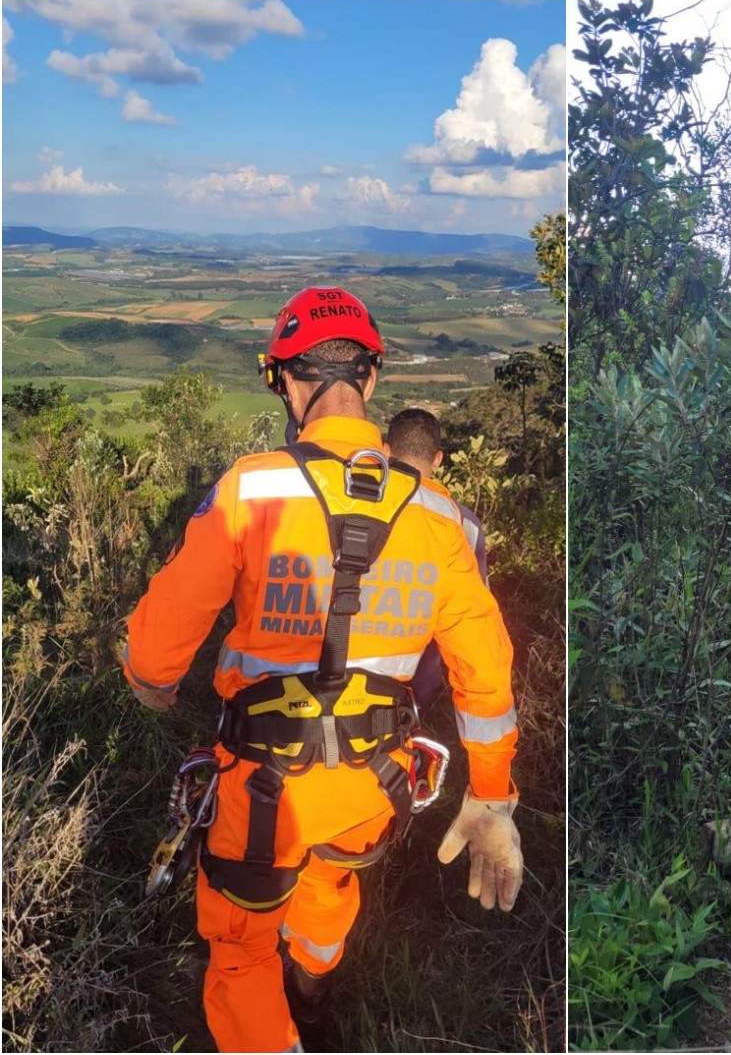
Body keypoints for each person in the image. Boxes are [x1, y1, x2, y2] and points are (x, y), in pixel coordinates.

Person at [122, 286, 524, 1053]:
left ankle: (282, 1024)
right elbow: (487, 671)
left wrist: (151, 684)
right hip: (372, 784)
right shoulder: (438, 516)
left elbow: (152, 654)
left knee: (239, 949)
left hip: (261, 788)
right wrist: (495, 794)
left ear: (284, 381)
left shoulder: (252, 489)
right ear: (369, 380)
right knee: (332, 880)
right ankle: (312, 988)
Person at [385, 407, 489, 710]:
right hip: (423, 684)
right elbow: (473, 619)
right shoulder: (461, 522)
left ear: (386, 451)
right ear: (439, 459)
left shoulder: (359, 507)